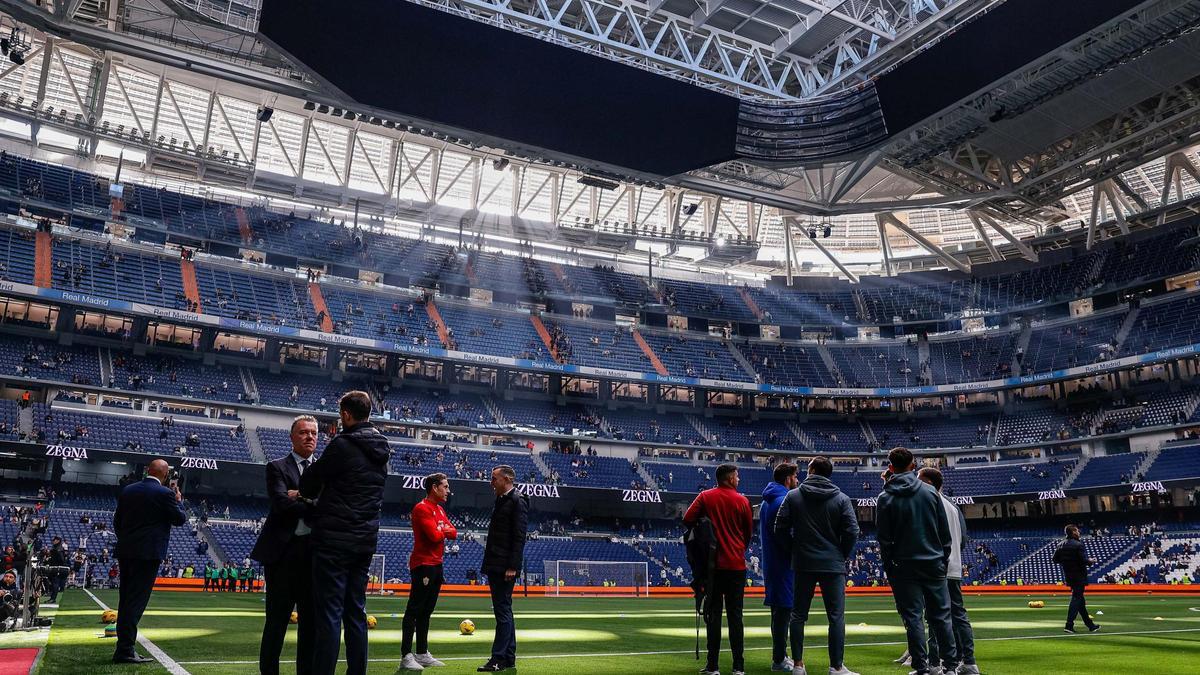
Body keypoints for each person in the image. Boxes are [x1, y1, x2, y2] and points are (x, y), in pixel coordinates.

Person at [299, 391, 390, 675]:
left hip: (334, 541)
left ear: (347, 415)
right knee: (356, 612)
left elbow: (309, 484)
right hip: (364, 541)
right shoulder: (382, 448)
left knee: (329, 614)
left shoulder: (342, 444)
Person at [774, 456, 860, 675]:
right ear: (829, 473)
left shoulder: (793, 496)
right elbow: (852, 531)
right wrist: (842, 554)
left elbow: (780, 527)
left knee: (798, 615)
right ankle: (837, 667)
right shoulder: (841, 498)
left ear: (811, 470)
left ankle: (798, 665)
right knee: (836, 616)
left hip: (803, 562)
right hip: (832, 564)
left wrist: (793, 549)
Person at [877, 448, 957, 675]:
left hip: (903, 566)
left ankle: (921, 667)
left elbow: (884, 539)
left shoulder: (885, 497)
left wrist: (889, 567)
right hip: (933, 563)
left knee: (913, 618)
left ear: (891, 468)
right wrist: (942, 559)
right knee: (941, 617)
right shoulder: (931, 493)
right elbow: (944, 533)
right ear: (913, 465)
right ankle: (949, 667)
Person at [252, 414, 319, 675]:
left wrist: (299, 495)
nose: (309, 437)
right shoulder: (276, 466)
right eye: (303, 432)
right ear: (292, 437)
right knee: (276, 623)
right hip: (282, 555)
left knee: (310, 625)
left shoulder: (323, 469)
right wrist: (312, 501)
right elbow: (281, 504)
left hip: (313, 555)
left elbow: (328, 507)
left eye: (313, 432)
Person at [111, 459, 187, 664]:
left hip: (126, 551)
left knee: (126, 599)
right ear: (165, 475)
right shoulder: (165, 494)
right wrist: (179, 500)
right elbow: (180, 519)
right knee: (136, 602)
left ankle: (123, 647)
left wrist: (127, 541)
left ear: (148, 471)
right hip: (147, 554)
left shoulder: (128, 490)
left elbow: (117, 522)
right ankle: (125, 650)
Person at [684, 463, 753, 675]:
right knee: (736, 617)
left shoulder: (705, 496)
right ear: (730, 478)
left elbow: (687, 519)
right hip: (736, 565)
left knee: (713, 616)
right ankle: (738, 667)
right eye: (737, 476)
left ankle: (712, 666)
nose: (739, 480)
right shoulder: (743, 501)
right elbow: (748, 533)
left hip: (712, 567)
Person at [918, 467, 979, 674]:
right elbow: (962, 540)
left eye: (919, 479)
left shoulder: (928, 502)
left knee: (935, 617)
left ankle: (936, 664)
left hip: (936, 567)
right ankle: (969, 662)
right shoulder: (953, 507)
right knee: (958, 615)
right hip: (953, 567)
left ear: (927, 482)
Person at [400, 473, 458, 671]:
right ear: (435, 487)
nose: (448, 491)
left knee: (427, 610)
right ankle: (406, 655)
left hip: (437, 564)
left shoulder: (440, 510)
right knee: (414, 610)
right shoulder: (421, 508)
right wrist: (443, 529)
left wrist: (441, 528)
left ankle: (422, 653)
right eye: (446, 487)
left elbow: (455, 533)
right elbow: (434, 536)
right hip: (423, 564)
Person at [477, 466, 528, 673]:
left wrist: (513, 566)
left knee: (502, 611)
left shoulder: (517, 500)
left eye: (494, 479)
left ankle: (498, 658)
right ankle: (508, 657)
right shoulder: (502, 500)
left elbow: (519, 536)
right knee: (505, 610)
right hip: (495, 563)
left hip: (504, 566)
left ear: (506, 479)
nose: (491, 482)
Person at [759, 463, 798, 672]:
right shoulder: (783, 501)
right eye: (795, 477)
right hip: (784, 564)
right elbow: (785, 535)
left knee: (779, 612)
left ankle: (780, 655)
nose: (797, 481)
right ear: (787, 479)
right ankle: (779, 659)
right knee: (784, 612)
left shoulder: (769, 501)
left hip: (773, 563)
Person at [1053, 524, 1100, 634]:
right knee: (1076, 598)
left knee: (1080, 601)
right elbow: (1084, 560)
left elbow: (1055, 559)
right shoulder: (1078, 545)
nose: (1079, 533)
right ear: (1073, 532)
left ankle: (1090, 625)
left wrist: (1066, 563)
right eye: (1077, 531)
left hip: (1069, 575)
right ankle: (1069, 625)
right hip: (1079, 575)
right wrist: (1092, 560)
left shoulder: (1060, 545)